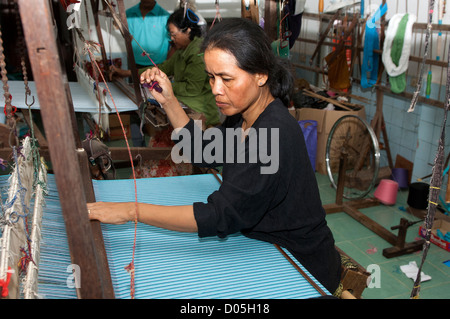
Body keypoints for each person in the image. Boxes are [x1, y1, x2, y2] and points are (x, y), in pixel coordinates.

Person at [88, 18, 342, 295]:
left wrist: (130, 211)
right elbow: (203, 152)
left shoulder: (272, 134)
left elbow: (220, 215)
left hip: (300, 266)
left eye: (227, 79)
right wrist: (169, 100)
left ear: (261, 75)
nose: (215, 89)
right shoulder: (244, 116)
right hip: (268, 247)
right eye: (211, 77)